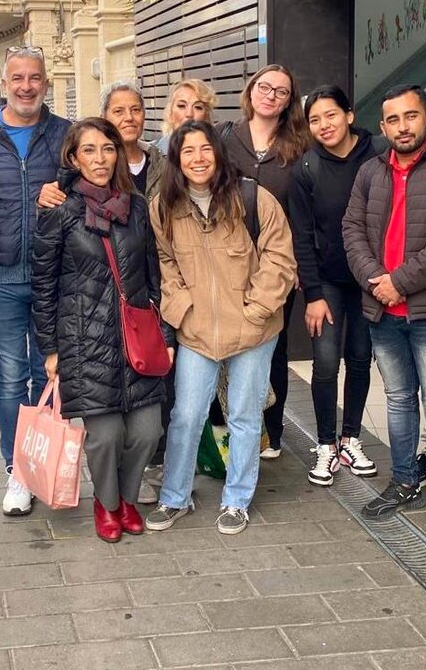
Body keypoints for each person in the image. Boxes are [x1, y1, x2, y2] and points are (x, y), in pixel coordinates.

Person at [145, 120, 296, 535]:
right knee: (186, 415)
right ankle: (175, 497)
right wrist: (183, 310)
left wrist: (256, 310)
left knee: (244, 416)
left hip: (253, 329)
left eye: (205, 149)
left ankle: (236, 500)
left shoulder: (252, 198)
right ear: (176, 159)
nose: (198, 158)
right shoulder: (163, 207)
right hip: (197, 331)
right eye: (187, 151)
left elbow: (279, 259)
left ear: (218, 153)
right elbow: (163, 264)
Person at [344, 85, 426, 537]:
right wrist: (376, 281)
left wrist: (399, 282)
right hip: (383, 312)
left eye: (411, 116)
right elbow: (352, 231)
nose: (403, 127)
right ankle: (404, 482)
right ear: (383, 126)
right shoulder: (370, 172)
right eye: (393, 120)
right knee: (399, 400)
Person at [32, 118, 168, 542]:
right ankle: (107, 504)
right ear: (73, 158)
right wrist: (50, 348)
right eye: (88, 150)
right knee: (105, 436)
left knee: (148, 430)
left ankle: (127, 498)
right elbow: (43, 285)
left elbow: (153, 275)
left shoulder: (136, 207)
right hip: (84, 340)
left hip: (136, 338)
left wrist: (162, 331)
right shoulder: (59, 210)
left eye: (107, 149)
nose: (100, 159)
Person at [0, 47, 70, 517]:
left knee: (49, 374)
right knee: (9, 376)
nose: (26, 86)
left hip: (52, 276)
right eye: (18, 78)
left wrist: (63, 197)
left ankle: (44, 462)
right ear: (5, 83)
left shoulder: (64, 134)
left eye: (35, 78)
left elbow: (88, 190)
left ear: (46, 83)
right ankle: (17, 471)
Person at [289, 85, 387, 486]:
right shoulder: (306, 168)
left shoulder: (379, 153)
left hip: (370, 280)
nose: (323, 125)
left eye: (331, 115)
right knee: (326, 362)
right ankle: (326, 443)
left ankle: (351, 439)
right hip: (327, 281)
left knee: (360, 358)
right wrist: (312, 294)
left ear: (349, 115)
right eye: (314, 120)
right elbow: (301, 235)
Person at [223, 64, 310, 460]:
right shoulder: (226, 137)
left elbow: (304, 210)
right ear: (251, 90)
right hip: (227, 262)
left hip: (278, 264)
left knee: (273, 347)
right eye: (264, 87)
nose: (270, 95)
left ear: (289, 101)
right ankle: (230, 427)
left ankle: (271, 432)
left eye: (281, 91)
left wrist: (299, 265)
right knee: (229, 344)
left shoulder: (299, 146)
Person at [154, 78, 217, 153]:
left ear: (206, 116)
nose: (189, 114)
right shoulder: (153, 155)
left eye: (198, 107)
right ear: (170, 112)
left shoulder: (218, 153)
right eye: (182, 106)